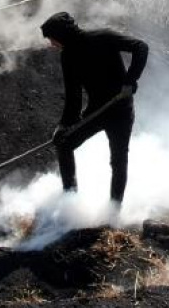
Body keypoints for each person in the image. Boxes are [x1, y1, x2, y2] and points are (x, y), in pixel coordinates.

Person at [40, 11, 148, 206]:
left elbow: (141, 47)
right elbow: (73, 96)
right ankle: (70, 203)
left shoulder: (103, 37)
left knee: (118, 159)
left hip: (120, 110)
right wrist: (63, 126)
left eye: (52, 39)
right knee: (64, 144)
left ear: (62, 35)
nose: (52, 44)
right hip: (95, 112)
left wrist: (130, 80)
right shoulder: (67, 56)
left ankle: (114, 210)